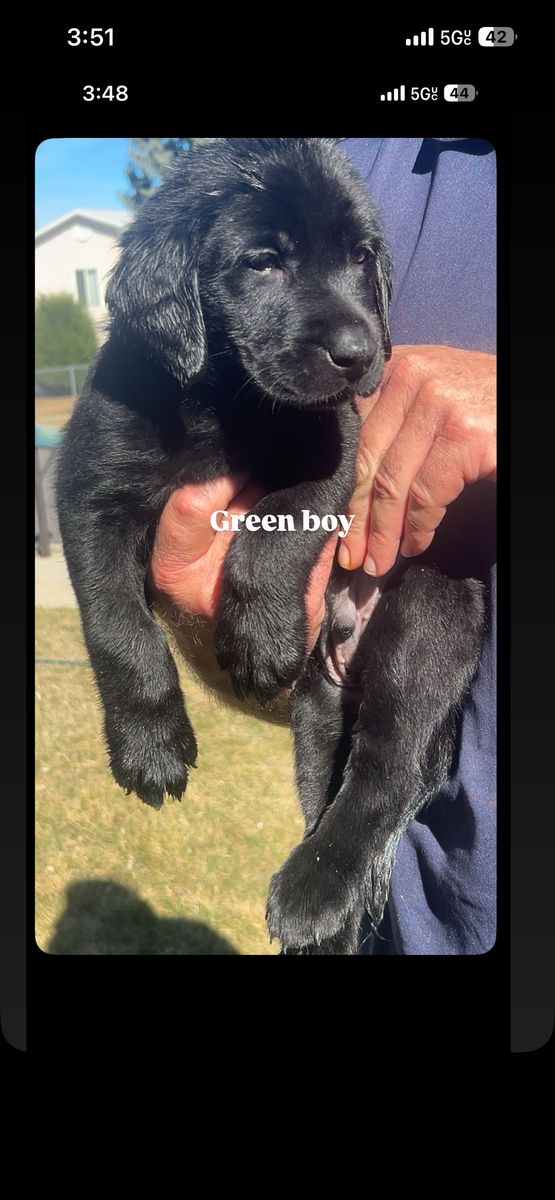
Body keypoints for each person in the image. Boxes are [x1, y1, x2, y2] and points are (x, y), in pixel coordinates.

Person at [149, 138, 497, 955]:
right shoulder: (340, 167)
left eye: (358, 259)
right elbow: (265, 649)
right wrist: (220, 610)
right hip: (387, 913)